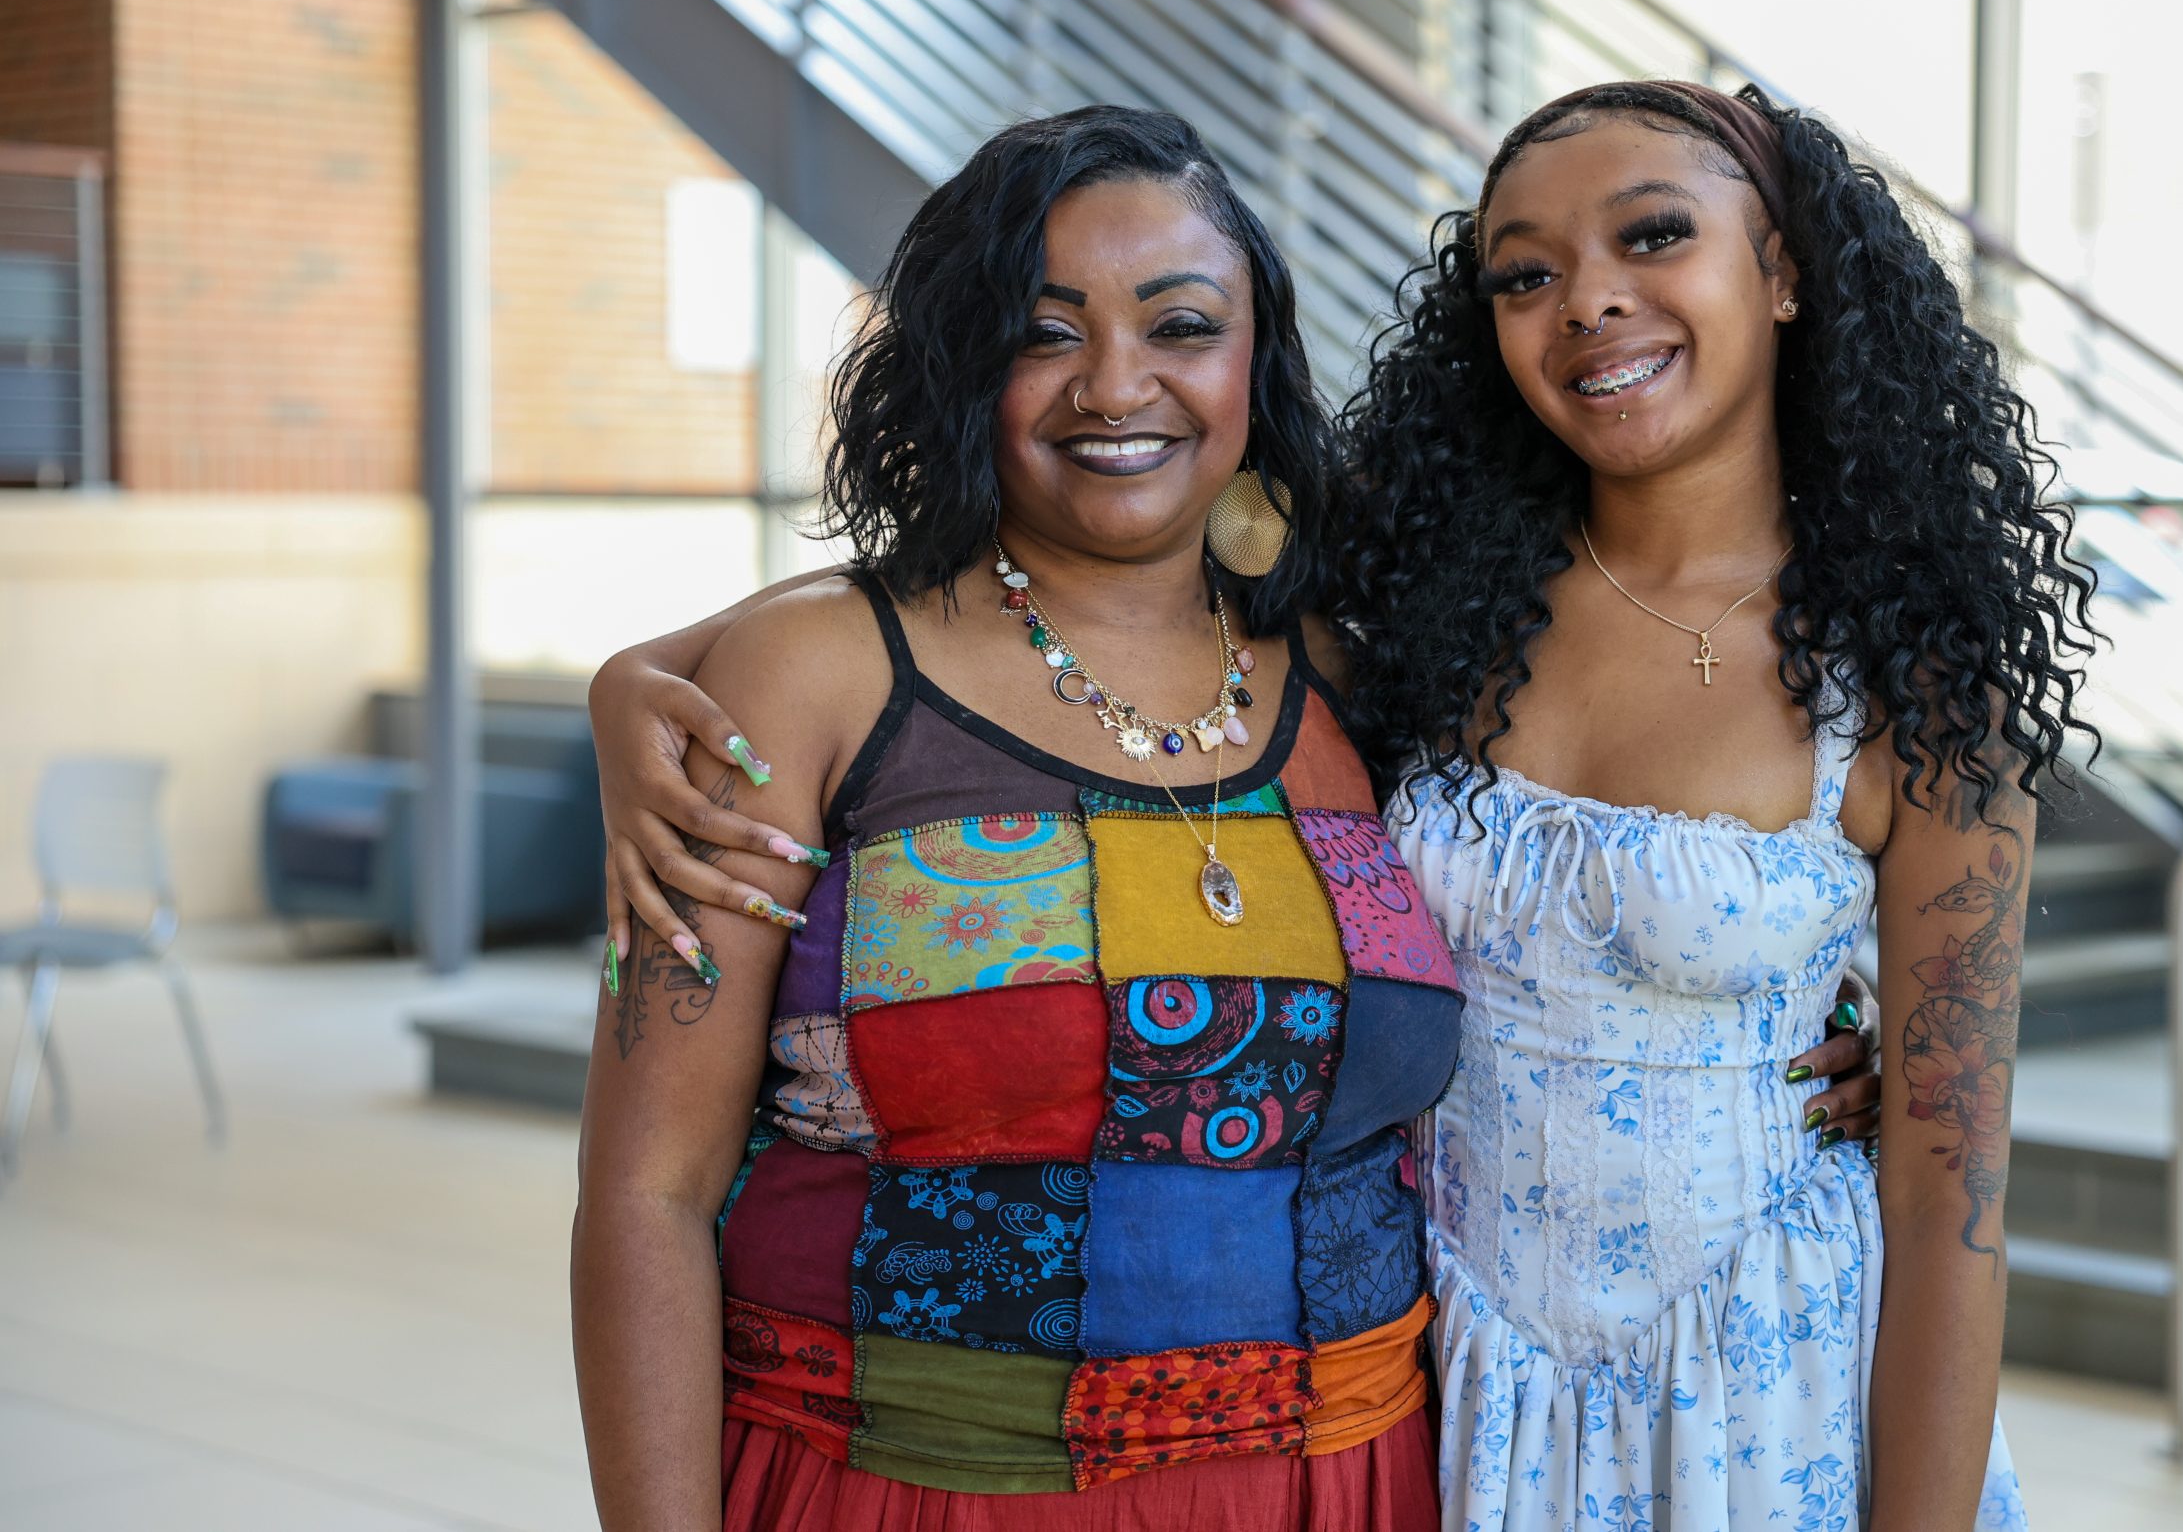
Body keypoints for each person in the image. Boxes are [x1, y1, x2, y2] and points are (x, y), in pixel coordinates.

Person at [571, 105, 1454, 1529]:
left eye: (1180, 326)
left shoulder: (1364, 674)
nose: (1117, 385)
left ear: (1253, 361)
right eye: (1046, 334)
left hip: (1346, 1483)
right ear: (961, 366)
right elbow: (646, 1196)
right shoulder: (820, 676)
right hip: (906, 1486)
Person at [1337, 80, 2092, 1529]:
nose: (1587, 303)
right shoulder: (1409, 616)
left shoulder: (1916, 682)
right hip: (1442, 1378)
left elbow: (1951, 1192)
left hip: (1767, 1403)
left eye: (1653, 236)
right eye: (1526, 273)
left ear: (1786, 272)